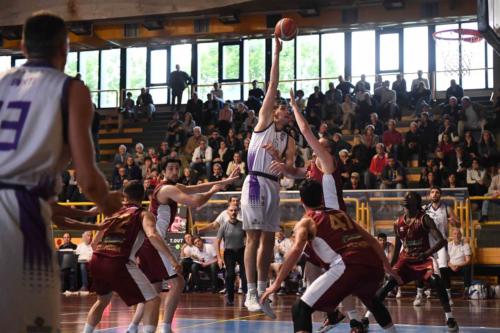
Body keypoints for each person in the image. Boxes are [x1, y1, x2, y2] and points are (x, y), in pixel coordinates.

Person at [0, 13, 122, 333]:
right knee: (35, 324)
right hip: (19, 213)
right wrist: (111, 205)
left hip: (18, 198)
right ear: (64, 49)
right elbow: (87, 177)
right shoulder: (70, 89)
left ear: (23, 46)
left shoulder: (1, 81)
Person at [260, 179, 400, 333]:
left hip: (347, 266)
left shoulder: (306, 222)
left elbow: (295, 251)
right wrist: (389, 269)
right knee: (371, 300)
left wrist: (276, 283)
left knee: (300, 309)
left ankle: (333, 316)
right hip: (373, 265)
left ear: (301, 201)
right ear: (322, 198)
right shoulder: (341, 214)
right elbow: (373, 241)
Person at [126, 159, 238, 333]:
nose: (174, 171)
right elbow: (196, 202)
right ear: (163, 171)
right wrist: (214, 191)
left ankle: (132, 328)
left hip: (147, 244)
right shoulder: (167, 189)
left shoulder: (172, 186)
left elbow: (195, 188)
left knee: (153, 288)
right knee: (178, 283)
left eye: (177, 168)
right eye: (170, 168)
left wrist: (223, 182)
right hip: (154, 242)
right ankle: (166, 327)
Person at [239, 36, 296, 317]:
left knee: (270, 240)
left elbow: (290, 174)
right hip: (254, 183)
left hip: (274, 186)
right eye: (282, 107)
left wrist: (278, 159)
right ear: (274, 112)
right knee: (253, 237)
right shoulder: (263, 123)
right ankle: (249, 292)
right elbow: (272, 85)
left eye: (288, 109)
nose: (286, 110)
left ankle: (262, 292)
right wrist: (276, 52)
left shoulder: (289, 141)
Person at [82, 181, 181, 333]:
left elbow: (95, 242)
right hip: (117, 261)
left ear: (124, 196)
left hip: (97, 260)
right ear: (143, 197)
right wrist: (172, 258)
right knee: (153, 300)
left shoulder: (114, 213)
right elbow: (153, 235)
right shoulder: (143, 214)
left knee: (102, 300)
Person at [364, 192, 459, 332]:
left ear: (416, 206)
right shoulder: (398, 223)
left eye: (408, 206)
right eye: (404, 206)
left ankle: (450, 318)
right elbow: (397, 249)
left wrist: (426, 253)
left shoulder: (424, 219)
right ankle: (365, 318)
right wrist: (390, 268)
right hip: (405, 260)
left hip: (423, 259)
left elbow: (442, 241)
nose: (406, 208)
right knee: (387, 285)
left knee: (437, 282)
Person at [420, 186, 460, 306]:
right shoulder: (424, 208)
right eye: (432, 192)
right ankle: (421, 293)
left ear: (440, 195)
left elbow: (458, 223)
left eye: (437, 192)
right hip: (428, 243)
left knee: (443, 269)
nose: (435, 194)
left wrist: (454, 222)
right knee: (426, 270)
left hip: (441, 243)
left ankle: (448, 295)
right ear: (429, 195)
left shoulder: (447, 207)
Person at [215, 205, 247, 305]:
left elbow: (249, 239)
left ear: (237, 212)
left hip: (242, 251)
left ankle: (247, 296)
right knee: (230, 275)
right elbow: (217, 242)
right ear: (228, 212)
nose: (233, 212)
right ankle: (230, 298)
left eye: (235, 210)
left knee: (245, 274)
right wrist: (219, 258)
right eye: (231, 210)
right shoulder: (223, 226)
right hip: (229, 252)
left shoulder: (242, 224)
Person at [445, 228, 472, 298]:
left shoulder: (466, 245)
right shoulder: (449, 245)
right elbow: (446, 259)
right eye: (455, 234)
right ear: (452, 235)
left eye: (458, 234)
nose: (457, 236)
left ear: (461, 235)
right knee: (444, 269)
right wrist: (451, 266)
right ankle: (447, 291)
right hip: (451, 267)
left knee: (467, 268)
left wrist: (457, 266)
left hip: (461, 267)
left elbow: (468, 260)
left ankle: (466, 290)